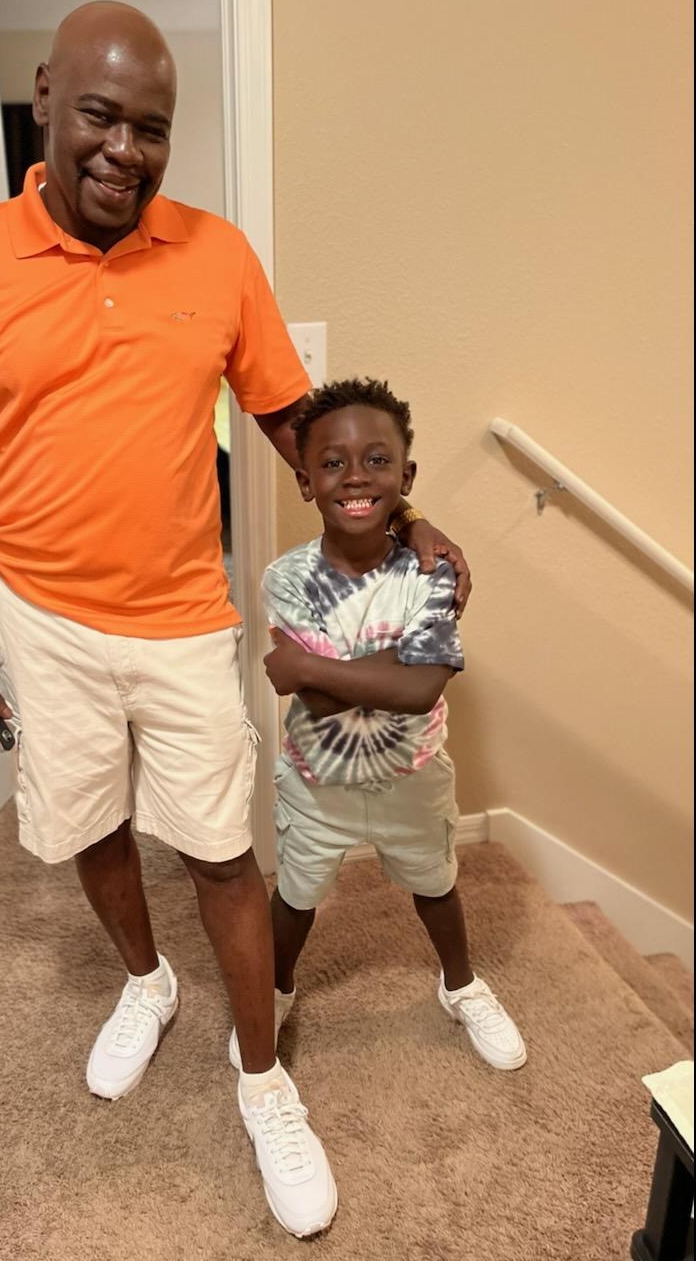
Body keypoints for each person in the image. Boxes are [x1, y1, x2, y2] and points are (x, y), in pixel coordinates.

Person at [0, 2, 470, 1237]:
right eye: (100, 117)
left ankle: (263, 1080)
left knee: (219, 849)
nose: (125, 150)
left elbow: (296, 422)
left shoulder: (217, 256)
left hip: (180, 616)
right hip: (40, 617)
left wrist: (406, 517)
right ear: (45, 98)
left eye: (151, 128)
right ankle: (146, 982)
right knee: (89, 820)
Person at [249, 378, 526, 1074]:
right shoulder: (287, 579)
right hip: (317, 785)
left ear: (406, 478)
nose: (355, 477)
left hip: (414, 777)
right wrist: (396, 662)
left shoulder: (434, 568)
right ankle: (274, 991)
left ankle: (460, 984)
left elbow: (421, 689)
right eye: (332, 463)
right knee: (295, 897)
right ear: (305, 481)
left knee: (436, 885)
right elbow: (317, 704)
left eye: (377, 460)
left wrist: (311, 667)